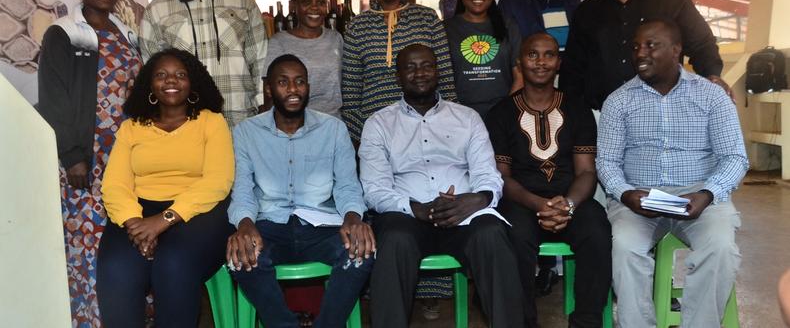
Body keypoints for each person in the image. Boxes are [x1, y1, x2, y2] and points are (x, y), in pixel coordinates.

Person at [360, 43, 524, 327]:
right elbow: (374, 188)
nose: (419, 73)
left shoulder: (467, 118)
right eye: (410, 67)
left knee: (492, 235)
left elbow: (488, 173)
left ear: (437, 72)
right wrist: (417, 209)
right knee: (394, 240)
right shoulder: (379, 124)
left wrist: (479, 198)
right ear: (398, 76)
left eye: (426, 66)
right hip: (407, 217)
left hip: (463, 214)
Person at [597, 19, 748, 327]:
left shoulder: (711, 96)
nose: (641, 53)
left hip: (699, 193)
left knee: (719, 249)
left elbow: (734, 157)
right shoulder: (618, 101)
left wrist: (707, 195)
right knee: (624, 249)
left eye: (651, 45)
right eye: (637, 46)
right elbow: (607, 162)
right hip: (637, 198)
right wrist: (626, 194)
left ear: (677, 50)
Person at [227, 54, 374, 328]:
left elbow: (347, 185)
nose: (293, 89)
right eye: (283, 82)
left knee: (361, 251)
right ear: (268, 89)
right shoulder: (246, 132)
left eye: (300, 82)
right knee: (240, 258)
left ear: (308, 86)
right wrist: (245, 224)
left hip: (320, 226)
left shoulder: (333, 129)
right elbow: (244, 190)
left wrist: (354, 217)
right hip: (269, 225)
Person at [37, 0, 142, 327]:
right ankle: (89, 320)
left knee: (125, 238)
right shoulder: (64, 33)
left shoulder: (126, 33)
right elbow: (54, 97)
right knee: (88, 244)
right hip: (87, 158)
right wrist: (73, 156)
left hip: (129, 156)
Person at [96, 48, 234, 327]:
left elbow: (218, 181)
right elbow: (115, 184)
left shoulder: (212, 121)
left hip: (198, 215)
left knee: (173, 263)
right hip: (138, 213)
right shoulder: (132, 128)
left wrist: (163, 221)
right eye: (161, 75)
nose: (171, 80)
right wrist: (135, 223)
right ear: (150, 84)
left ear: (192, 82)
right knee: (116, 269)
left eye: (180, 75)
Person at [485, 33, 611, 328]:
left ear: (559, 63)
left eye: (549, 55)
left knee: (598, 230)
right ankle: (524, 322)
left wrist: (567, 204)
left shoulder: (577, 109)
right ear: (519, 63)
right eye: (532, 55)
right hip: (521, 201)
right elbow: (501, 178)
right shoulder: (501, 113)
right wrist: (539, 204)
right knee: (512, 235)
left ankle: (586, 322)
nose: (541, 62)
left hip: (571, 200)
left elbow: (586, 172)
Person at [560, 0, 732, 111]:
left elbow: (702, 44)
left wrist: (712, 76)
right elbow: (573, 69)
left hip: (663, 111)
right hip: (603, 116)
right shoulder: (587, 10)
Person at [140, 0, 267, 127]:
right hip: (186, 122)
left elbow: (261, 60)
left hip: (241, 120)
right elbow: (151, 70)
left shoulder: (243, 2)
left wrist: (262, 111)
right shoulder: (156, 10)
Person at [342, 0, 457, 144]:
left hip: (427, 130)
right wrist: (369, 135)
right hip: (374, 132)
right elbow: (351, 95)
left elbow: (445, 81)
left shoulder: (427, 18)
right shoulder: (357, 26)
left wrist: (442, 129)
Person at [444, 0, 522, 118]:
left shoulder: (508, 26)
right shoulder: (445, 29)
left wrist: (504, 113)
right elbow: (441, 81)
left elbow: (520, 77)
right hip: (458, 117)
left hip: (503, 116)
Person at [262, 0, 343, 118]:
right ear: (293, 5)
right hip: (294, 126)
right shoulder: (279, 42)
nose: (315, 7)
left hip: (333, 124)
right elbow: (269, 95)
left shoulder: (335, 38)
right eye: (306, 2)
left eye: (321, 2)